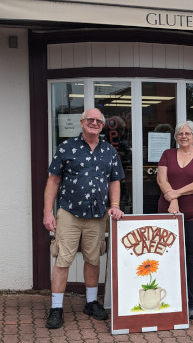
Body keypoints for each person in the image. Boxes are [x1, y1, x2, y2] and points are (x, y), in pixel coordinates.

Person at [43, 108, 125, 329]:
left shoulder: (109, 151)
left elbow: (114, 180)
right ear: (82, 122)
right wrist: (48, 212)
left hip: (97, 215)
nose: (95, 123)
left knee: (93, 259)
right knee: (63, 259)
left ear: (102, 125)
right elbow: (53, 181)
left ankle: (91, 302)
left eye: (99, 121)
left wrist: (115, 205)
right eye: (90, 119)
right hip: (69, 212)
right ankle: (56, 307)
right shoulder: (66, 148)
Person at [156, 120, 193, 320]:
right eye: (180, 133)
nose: (184, 136)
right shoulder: (167, 154)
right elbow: (161, 179)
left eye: (188, 133)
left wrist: (175, 196)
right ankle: (169, 300)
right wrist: (172, 201)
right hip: (169, 214)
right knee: (167, 256)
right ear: (176, 137)